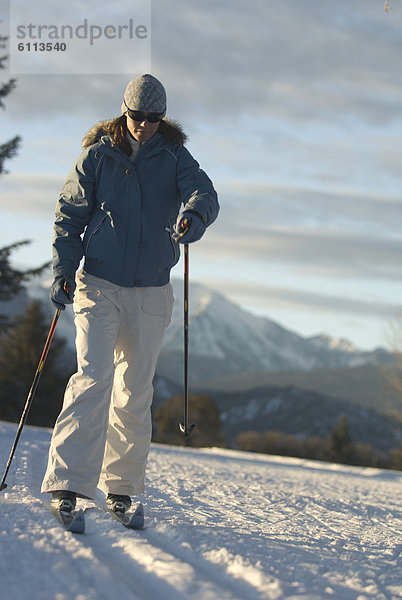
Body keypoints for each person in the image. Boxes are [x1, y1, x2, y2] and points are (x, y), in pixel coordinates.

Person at [41, 74, 219, 516]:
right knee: (92, 379)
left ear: (162, 118)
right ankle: (68, 483)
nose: (143, 125)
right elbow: (69, 215)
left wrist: (193, 214)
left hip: (151, 288)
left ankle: (121, 487)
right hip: (99, 284)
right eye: (137, 116)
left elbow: (205, 192)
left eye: (153, 118)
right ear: (124, 111)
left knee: (134, 390)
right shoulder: (98, 155)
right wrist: (65, 269)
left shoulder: (175, 155)